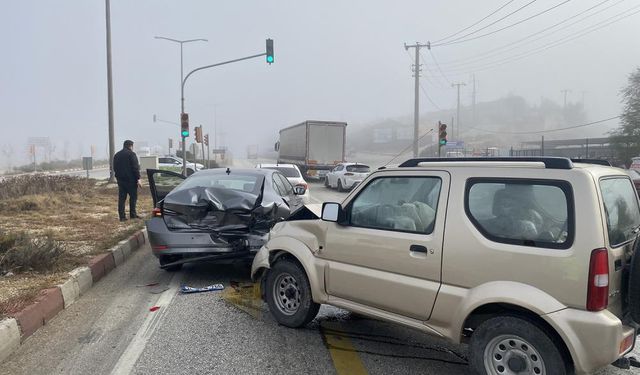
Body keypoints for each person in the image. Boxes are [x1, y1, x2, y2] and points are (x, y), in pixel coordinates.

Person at [113, 140, 141, 221]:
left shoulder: (117, 155)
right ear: (131, 146)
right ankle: (133, 215)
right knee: (133, 197)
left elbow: (114, 168)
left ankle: (122, 217)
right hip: (131, 180)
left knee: (122, 198)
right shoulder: (131, 154)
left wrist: (118, 177)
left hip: (120, 180)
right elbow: (135, 168)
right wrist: (138, 178)